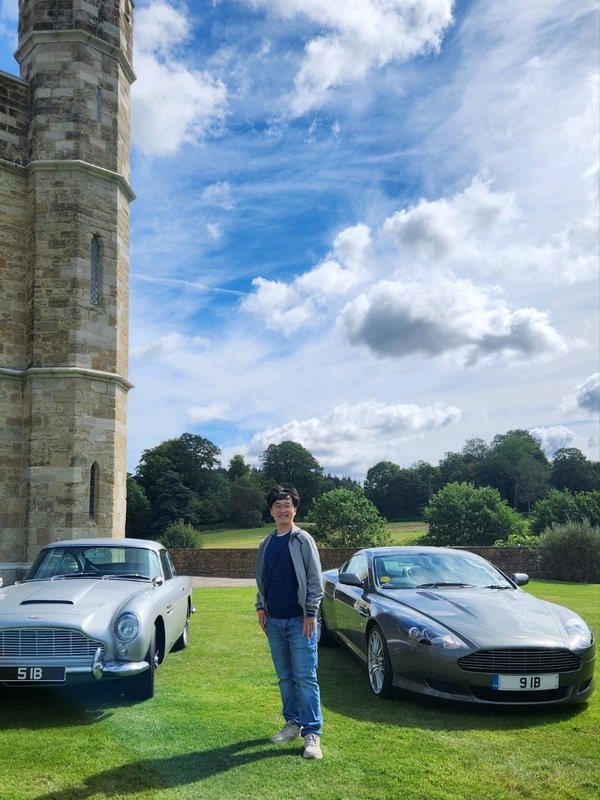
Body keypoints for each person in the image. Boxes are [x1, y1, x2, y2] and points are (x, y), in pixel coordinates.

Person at [255, 485, 324, 760]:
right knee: (285, 677)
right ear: (271, 511)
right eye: (278, 506)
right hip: (274, 622)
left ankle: (312, 733)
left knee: (305, 677)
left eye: (287, 505)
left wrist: (310, 614)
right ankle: (292, 723)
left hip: (300, 621)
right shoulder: (266, 543)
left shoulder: (303, 540)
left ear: (295, 509)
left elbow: (315, 581)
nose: (283, 510)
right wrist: (260, 608)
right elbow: (262, 581)